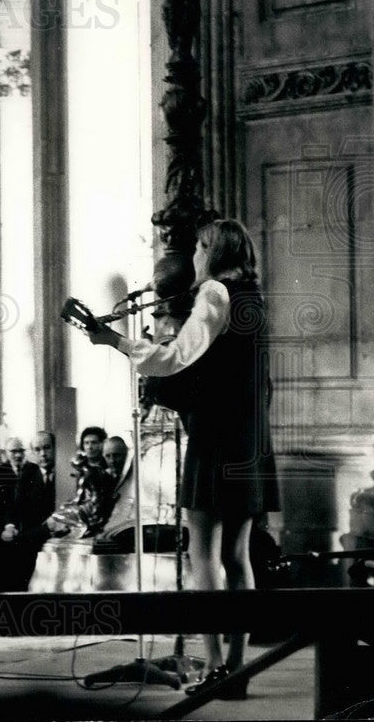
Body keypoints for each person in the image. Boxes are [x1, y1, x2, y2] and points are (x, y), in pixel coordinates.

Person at [88, 218, 279, 698]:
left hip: (216, 440)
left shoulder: (214, 293)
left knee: (204, 558)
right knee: (239, 558)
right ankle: (238, 669)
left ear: (214, 251)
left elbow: (175, 360)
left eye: (199, 246)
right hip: (250, 441)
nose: (194, 255)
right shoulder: (255, 300)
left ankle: (214, 666)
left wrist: (115, 342)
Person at [0, 433, 57, 590]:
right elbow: (15, 506)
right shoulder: (29, 474)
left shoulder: (65, 473)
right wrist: (9, 526)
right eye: (38, 449)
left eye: (47, 448)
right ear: (33, 452)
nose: (43, 454)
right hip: (31, 532)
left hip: (51, 532)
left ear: (56, 448)